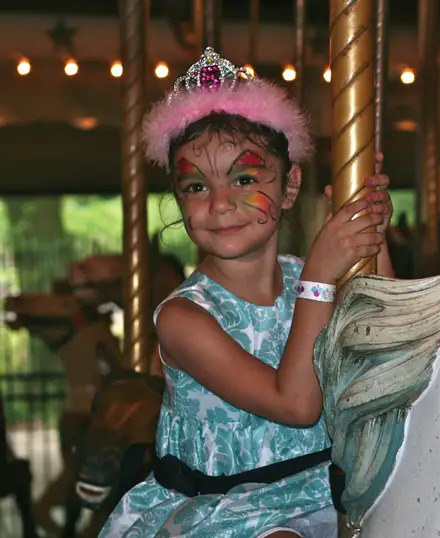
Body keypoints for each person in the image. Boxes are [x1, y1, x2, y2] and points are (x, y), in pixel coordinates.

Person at [101, 47, 394, 538]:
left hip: (325, 490)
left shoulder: (308, 279)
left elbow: (387, 341)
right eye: (195, 187)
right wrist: (321, 274)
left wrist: (370, 230)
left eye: (244, 178)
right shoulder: (183, 319)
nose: (220, 204)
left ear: (290, 186)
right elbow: (296, 406)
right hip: (227, 509)